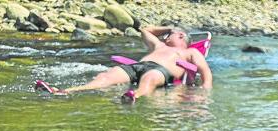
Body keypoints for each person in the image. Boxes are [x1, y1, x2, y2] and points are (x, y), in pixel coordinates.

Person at [35, 26, 213, 102]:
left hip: (160, 71)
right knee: (105, 76)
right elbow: (145, 30)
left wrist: (204, 93)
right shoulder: (158, 45)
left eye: (170, 35)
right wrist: (169, 29)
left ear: (181, 37)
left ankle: (135, 96)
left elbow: (205, 72)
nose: (165, 37)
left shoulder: (190, 52)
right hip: (137, 66)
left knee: (150, 79)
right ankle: (64, 92)